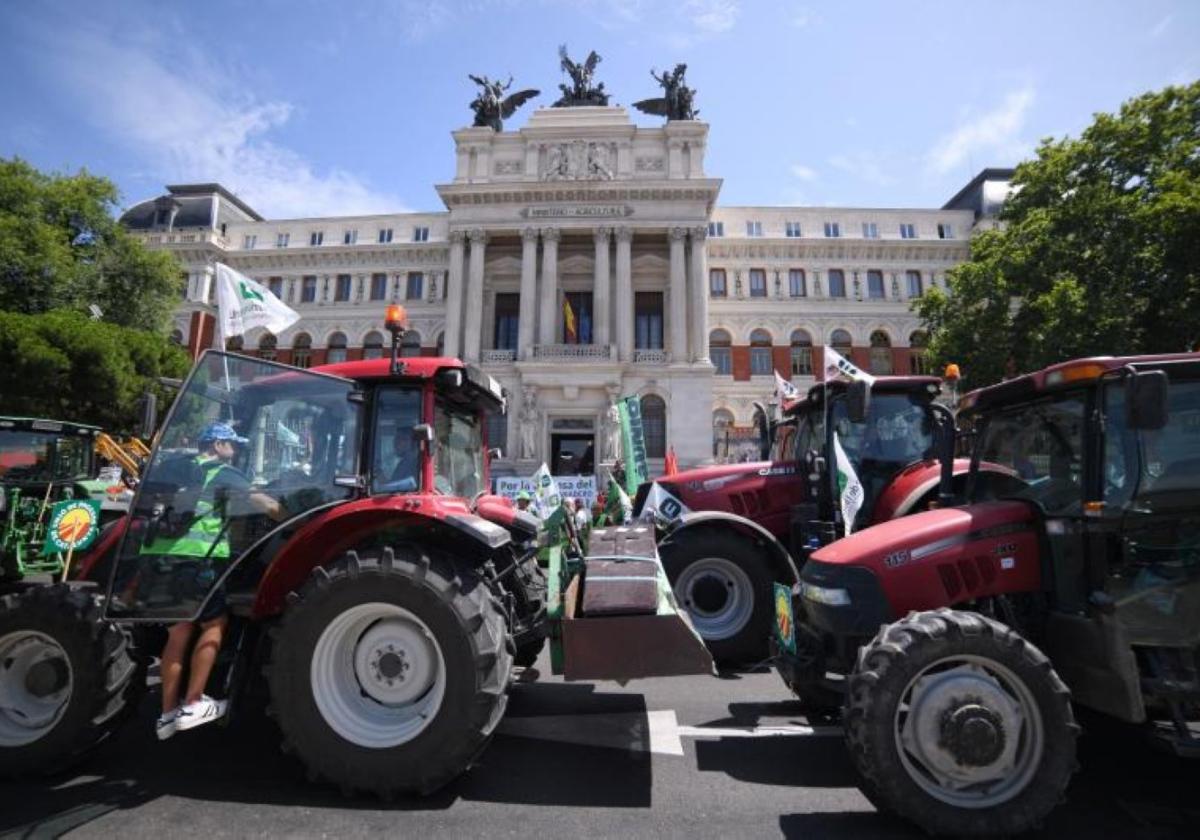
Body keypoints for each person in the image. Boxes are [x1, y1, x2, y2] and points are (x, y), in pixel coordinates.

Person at [153, 422, 284, 740]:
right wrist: (293, 516)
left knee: (179, 631)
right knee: (214, 625)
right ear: (215, 445)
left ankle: (168, 713)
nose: (235, 450)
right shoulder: (222, 472)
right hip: (197, 559)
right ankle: (195, 702)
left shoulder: (176, 467)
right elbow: (265, 505)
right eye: (231, 444)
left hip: (161, 558)